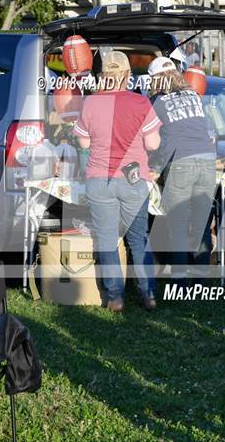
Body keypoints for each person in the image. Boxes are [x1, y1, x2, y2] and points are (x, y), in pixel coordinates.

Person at [74, 51, 161, 312]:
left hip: (100, 178)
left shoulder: (90, 103)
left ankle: (115, 297)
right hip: (133, 177)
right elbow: (153, 144)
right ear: (127, 75)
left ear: (103, 76)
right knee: (138, 239)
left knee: (106, 238)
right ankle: (148, 294)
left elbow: (83, 143)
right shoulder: (141, 102)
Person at [147, 56, 216, 283]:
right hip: (207, 159)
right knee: (201, 223)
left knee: (177, 224)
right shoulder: (194, 96)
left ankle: (179, 280)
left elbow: (162, 141)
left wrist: (156, 167)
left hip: (180, 162)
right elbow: (207, 130)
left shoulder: (157, 102)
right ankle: (200, 279)